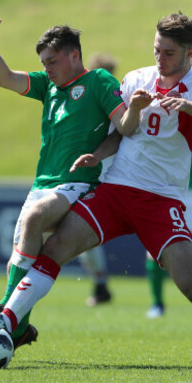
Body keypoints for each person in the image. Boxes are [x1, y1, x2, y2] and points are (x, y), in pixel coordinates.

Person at [0, 13, 192, 368]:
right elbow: (122, 131)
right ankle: (8, 323)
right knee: (57, 246)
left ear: (188, 53)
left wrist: (187, 106)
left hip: (160, 199)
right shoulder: (136, 78)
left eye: (168, 53)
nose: (159, 59)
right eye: (156, 50)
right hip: (115, 188)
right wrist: (98, 154)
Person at [0, 15, 125, 349]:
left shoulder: (98, 81)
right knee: (17, 261)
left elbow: (124, 126)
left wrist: (99, 153)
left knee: (36, 218)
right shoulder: (48, 86)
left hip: (77, 183)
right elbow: (3, 79)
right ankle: (19, 329)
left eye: (52, 61)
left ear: (74, 56)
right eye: (43, 63)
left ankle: (0, 316)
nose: (47, 68)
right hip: (41, 183)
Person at [145, 42, 192, 319]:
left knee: (188, 248)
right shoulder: (161, 88)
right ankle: (157, 303)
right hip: (164, 182)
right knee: (156, 250)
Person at [78, 52, 120, 307]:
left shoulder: (116, 101)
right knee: (83, 239)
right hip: (90, 174)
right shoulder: (86, 100)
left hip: (105, 178)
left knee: (82, 235)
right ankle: (101, 284)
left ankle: (101, 284)